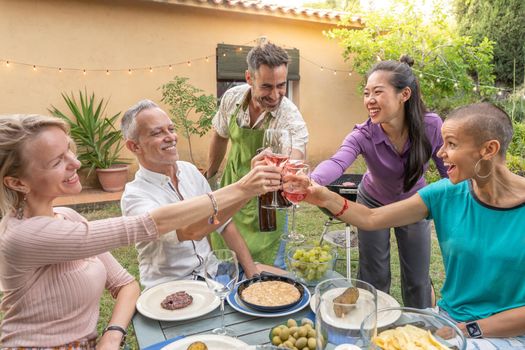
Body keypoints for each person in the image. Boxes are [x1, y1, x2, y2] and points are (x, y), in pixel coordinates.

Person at [0, 114, 281, 347]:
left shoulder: (68, 217)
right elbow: (151, 224)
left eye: (69, 151)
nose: (76, 163)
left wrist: (113, 334)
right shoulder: (23, 236)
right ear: (17, 182)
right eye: (57, 161)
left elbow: (125, 284)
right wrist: (244, 188)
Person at [288, 102, 525, 347]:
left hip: (504, 335)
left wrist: (467, 331)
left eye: (452, 144)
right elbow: (372, 218)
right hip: (449, 321)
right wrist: (323, 196)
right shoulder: (445, 193)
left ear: (489, 149)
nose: (441, 153)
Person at [310, 57, 448, 308]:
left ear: (404, 94)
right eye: (366, 93)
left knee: (416, 279)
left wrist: (461, 199)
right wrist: (311, 181)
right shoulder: (363, 133)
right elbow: (338, 162)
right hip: (371, 202)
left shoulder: (431, 125)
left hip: (414, 205)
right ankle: (372, 326)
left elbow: (448, 171)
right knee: (374, 275)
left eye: (377, 92)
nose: (369, 100)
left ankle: (419, 328)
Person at [120, 100, 281, 289]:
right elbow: (191, 231)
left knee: (291, 283)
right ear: (134, 146)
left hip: (213, 274)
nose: (171, 137)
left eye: (171, 129)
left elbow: (221, 222)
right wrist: (245, 188)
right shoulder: (135, 197)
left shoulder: (189, 171)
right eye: (157, 133)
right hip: (172, 287)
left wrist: (252, 271)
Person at [205, 41, 308, 266]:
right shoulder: (232, 99)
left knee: (266, 268)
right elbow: (220, 135)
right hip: (232, 189)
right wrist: (209, 176)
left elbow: (296, 157)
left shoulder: (289, 117)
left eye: (281, 85)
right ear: (249, 78)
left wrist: (286, 167)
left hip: (266, 203)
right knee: (225, 260)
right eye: (266, 86)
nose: (275, 94)